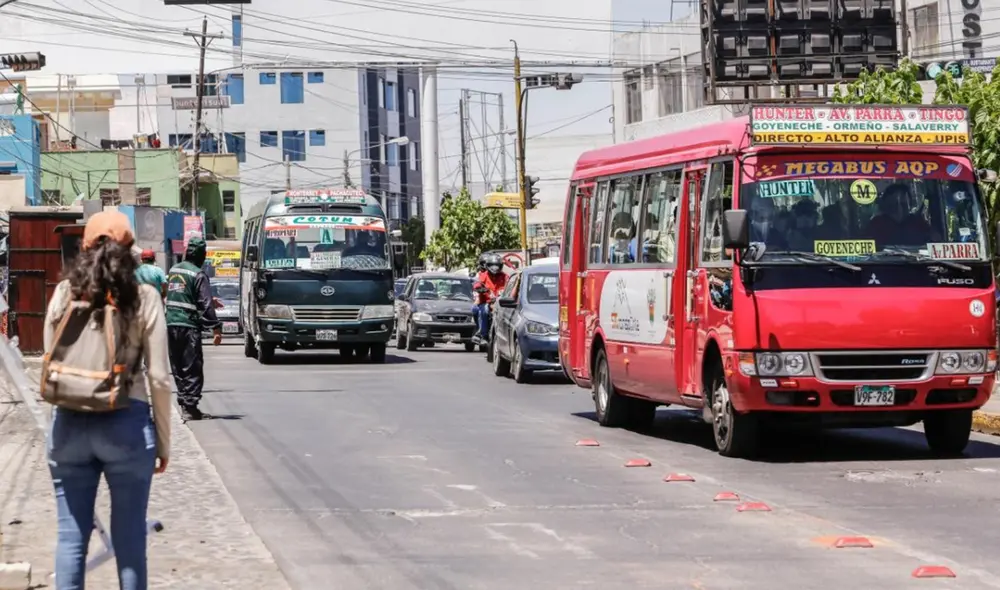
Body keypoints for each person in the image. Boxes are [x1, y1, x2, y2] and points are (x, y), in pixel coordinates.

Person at [43, 210, 172, 590]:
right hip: (126, 423)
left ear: (83, 248)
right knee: (130, 540)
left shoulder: (64, 294)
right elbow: (159, 378)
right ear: (130, 250)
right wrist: (163, 443)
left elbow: (52, 360)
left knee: (71, 540)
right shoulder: (143, 297)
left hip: (68, 423)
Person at [166, 236, 222, 421]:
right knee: (192, 366)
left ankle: (185, 403)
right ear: (201, 255)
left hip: (171, 324)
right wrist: (216, 328)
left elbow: (183, 294)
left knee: (178, 366)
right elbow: (205, 305)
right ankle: (190, 406)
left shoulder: (174, 270)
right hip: (188, 326)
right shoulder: (198, 274)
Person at [471, 253, 508, 345]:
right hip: (486, 302)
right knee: (484, 310)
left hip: (501, 303)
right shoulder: (484, 275)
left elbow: (510, 285)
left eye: (497, 265)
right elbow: (477, 284)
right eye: (492, 265)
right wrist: (480, 288)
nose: (494, 268)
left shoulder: (505, 276)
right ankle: (483, 335)